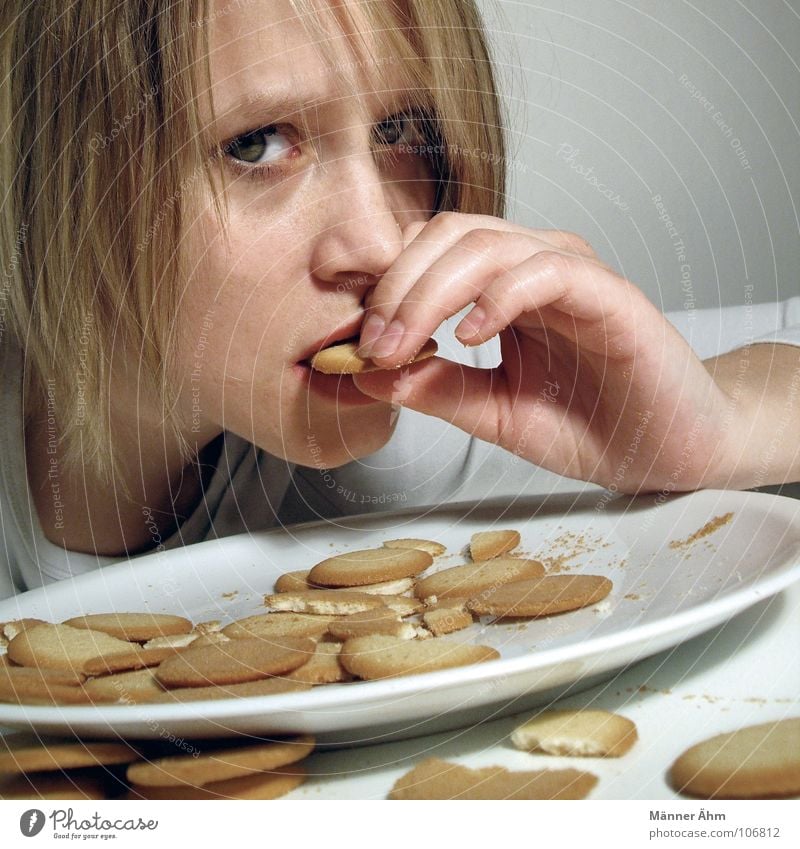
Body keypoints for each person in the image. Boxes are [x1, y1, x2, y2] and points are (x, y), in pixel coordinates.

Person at [1, 0, 798, 600]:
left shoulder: (419, 425)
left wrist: (714, 429)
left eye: (399, 131)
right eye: (257, 143)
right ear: (50, 180)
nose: (385, 243)